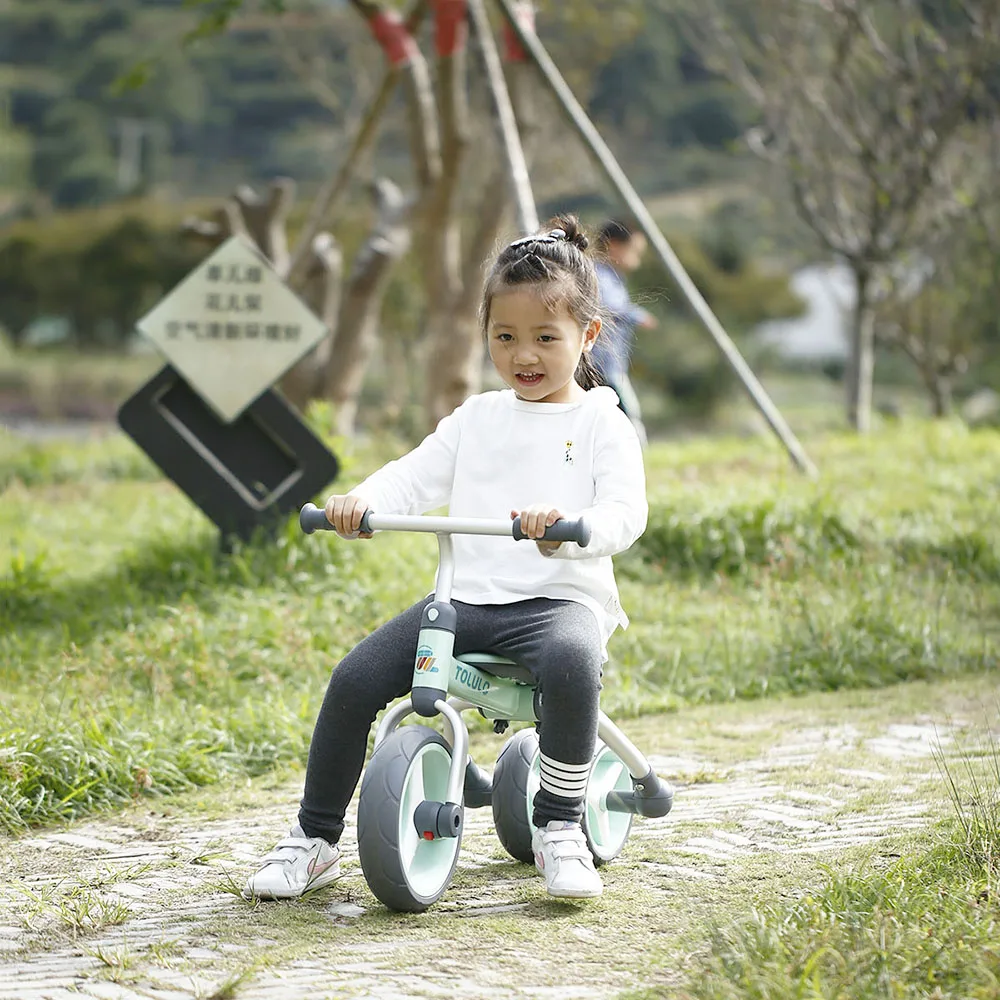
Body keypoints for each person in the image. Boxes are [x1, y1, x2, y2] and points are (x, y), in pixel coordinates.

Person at [243, 216, 647, 902]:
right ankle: (314, 838)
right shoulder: (477, 418)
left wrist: (570, 530)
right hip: (464, 600)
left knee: (572, 663)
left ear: (588, 335)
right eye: (504, 336)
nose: (524, 354)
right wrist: (362, 502)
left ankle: (559, 826)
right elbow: (412, 476)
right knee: (354, 678)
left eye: (546, 337)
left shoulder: (600, 421)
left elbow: (625, 513)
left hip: (557, 601)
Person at [591, 219, 657, 447]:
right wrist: (637, 315)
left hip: (610, 362)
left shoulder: (614, 277)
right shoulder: (599, 275)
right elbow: (609, 306)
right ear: (614, 245)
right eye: (634, 251)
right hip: (602, 362)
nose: (637, 259)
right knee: (627, 415)